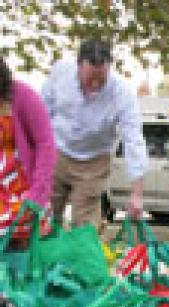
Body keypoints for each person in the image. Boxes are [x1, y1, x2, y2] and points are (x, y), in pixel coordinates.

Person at [42, 38, 147, 228]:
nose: (95, 84)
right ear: (79, 65)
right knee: (44, 216)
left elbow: (134, 140)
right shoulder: (60, 73)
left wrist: (137, 193)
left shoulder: (122, 94)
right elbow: (42, 113)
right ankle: (45, 254)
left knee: (85, 225)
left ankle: (82, 254)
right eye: (90, 78)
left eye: (101, 79)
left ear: (109, 68)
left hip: (93, 162)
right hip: (56, 152)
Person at [0, 55, 56, 244]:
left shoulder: (24, 96)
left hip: (23, 190)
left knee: (19, 228)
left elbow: (45, 145)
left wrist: (38, 194)